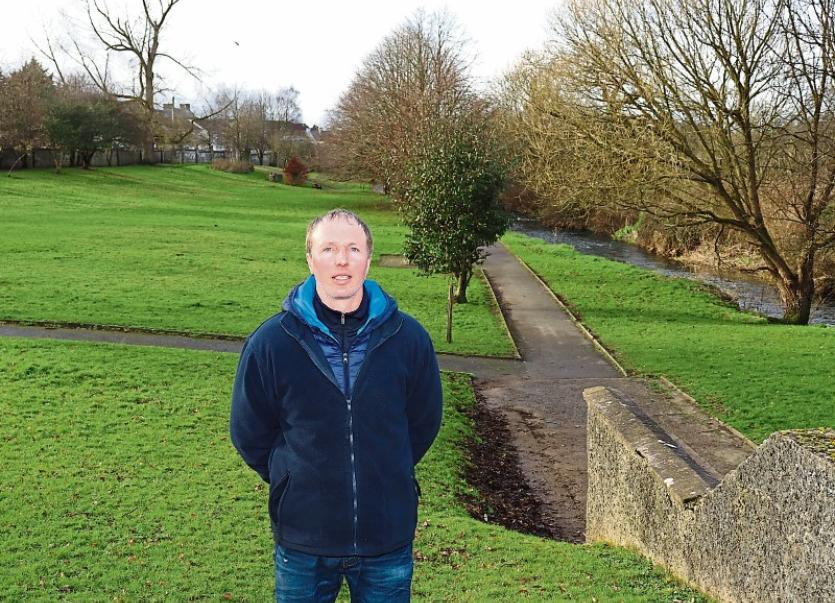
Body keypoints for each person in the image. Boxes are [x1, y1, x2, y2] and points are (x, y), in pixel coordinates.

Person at [229, 208, 443, 602]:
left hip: (386, 535)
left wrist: (386, 469)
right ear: (310, 259)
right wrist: (291, 477)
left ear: (368, 258)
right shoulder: (272, 342)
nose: (341, 260)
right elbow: (249, 431)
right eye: (328, 248)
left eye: (352, 248)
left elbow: (424, 422)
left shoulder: (409, 339)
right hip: (304, 539)